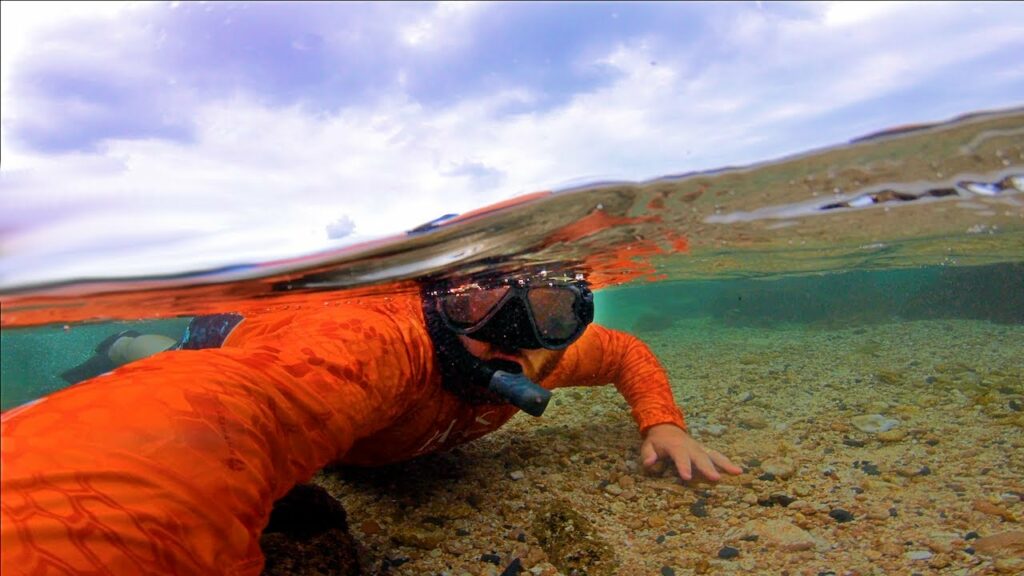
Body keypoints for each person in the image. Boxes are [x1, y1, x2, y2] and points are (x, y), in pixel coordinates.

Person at [0, 270, 740, 575]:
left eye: (546, 310)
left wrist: (661, 424)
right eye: (476, 301)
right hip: (258, 333)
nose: (511, 334)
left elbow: (627, 355)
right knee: (157, 353)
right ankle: (120, 342)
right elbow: (217, 415)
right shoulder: (366, 350)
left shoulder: (539, 357)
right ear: (438, 299)